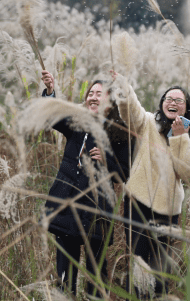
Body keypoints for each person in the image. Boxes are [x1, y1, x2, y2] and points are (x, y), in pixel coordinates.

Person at [41, 70, 134, 296]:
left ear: (110, 100)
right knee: (65, 271)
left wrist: (107, 159)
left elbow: (125, 173)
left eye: (98, 93)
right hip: (67, 200)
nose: (92, 97)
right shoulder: (76, 121)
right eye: (90, 93)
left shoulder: (120, 131)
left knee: (96, 272)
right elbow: (53, 116)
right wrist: (51, 91)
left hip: (98, 208)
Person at [112, 74, 190, 297]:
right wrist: (125, 91)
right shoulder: (149, 122)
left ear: (186, 109)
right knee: (140, 264)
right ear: (162, 103)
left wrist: (180, 139)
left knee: (162, 270)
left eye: (179, 101)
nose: (173, 103)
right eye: (169, 98)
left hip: (168, 211)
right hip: (138, 202)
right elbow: (132, 114)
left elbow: (188, 174)